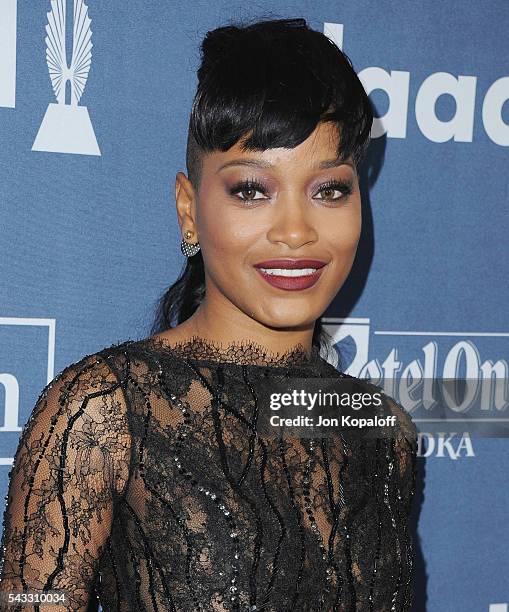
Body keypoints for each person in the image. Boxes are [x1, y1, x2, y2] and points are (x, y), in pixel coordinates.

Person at [0, 16, 418, 612]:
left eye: (330, 189)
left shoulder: (380, 428)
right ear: (189, 209)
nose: (297, 231)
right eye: (252, 189)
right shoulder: (104, 412)